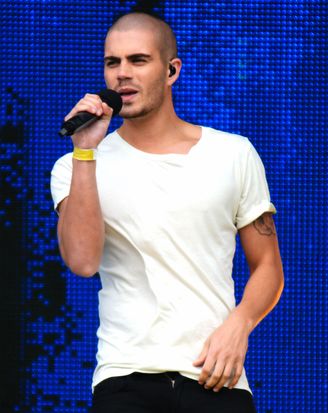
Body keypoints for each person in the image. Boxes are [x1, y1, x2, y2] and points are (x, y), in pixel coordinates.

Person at [50, 11, 284, 413]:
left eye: (138, 60)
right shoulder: (75, 166)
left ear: (172, 70)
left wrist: (239, 325)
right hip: (124, 378)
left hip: (216, 377)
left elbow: (268, 267)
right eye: (113, 62)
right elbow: (83, 261)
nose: (122, 74)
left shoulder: (232, 153)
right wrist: (85, 151)